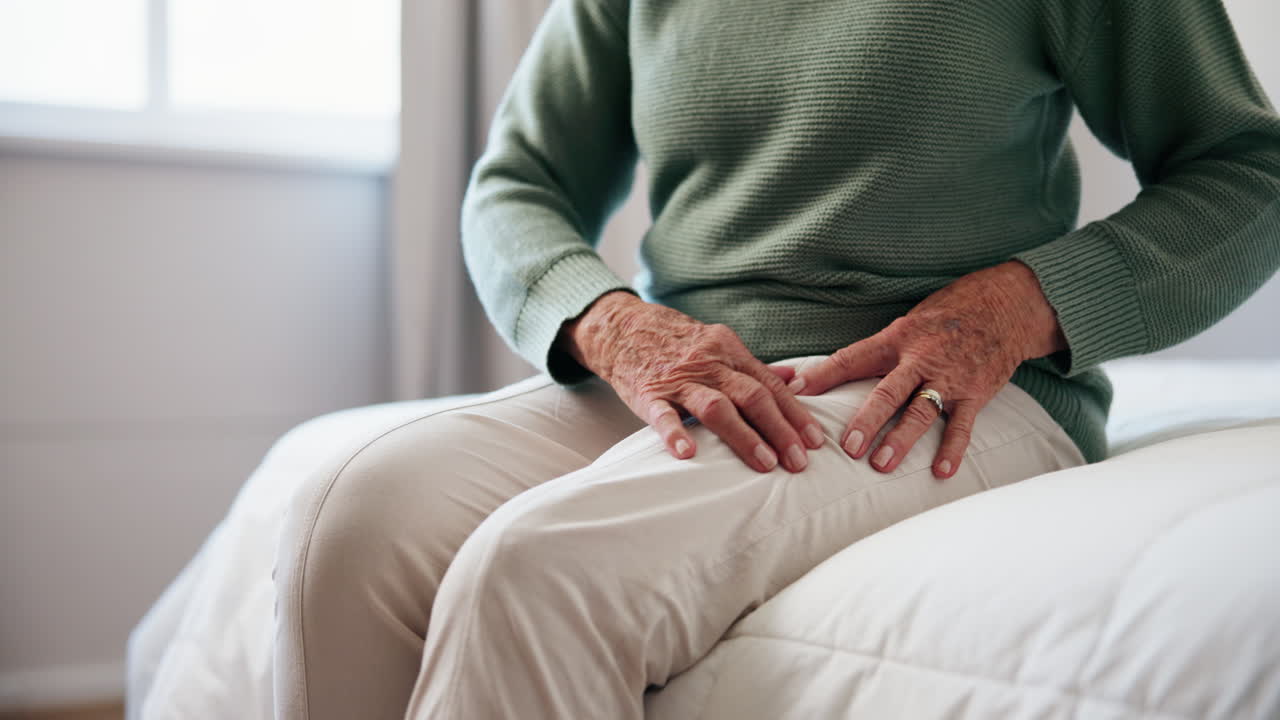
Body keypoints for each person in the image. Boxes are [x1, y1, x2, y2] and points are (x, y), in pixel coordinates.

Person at [272, 1, 1280, 718]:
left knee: (541, 570)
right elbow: (518, 183)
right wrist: (613, 324)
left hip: (939, 386)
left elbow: (1248, 171)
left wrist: (1024, 302)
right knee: (350, 517)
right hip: (694, 368)